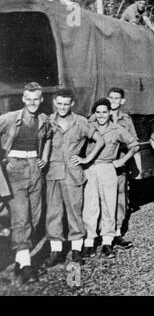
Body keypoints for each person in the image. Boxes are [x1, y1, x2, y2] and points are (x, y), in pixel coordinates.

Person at [44, 89, 105, 267]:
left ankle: (76, 250)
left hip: (73, 174)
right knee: (53, 213)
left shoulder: (81, 122)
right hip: (53, 173)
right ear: (55, 103)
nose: (62, 107)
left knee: (74, 211)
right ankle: (56, 251)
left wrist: (86, 159)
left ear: (72, 104)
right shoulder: (48, 122)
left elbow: (99, 140)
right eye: (59, 103)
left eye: (66, 104)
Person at [0, 82, 52, 284]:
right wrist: (3, 159)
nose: (32, 103)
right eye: (28, 99)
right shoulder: (9, 118)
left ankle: (20, 263)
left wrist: (45, 158)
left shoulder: (43, 119)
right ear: (23, 99)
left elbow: (47, 137)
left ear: (41, 100)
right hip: (15, 169)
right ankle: (27, 265)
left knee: (35, 216)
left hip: (35, 168)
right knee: (21, 217)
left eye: (36, 99)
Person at [82, 99, 140, 259]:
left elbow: (134, 145)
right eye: (98, 112)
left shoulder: (117, 129)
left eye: (104, 112)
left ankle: (107, 242)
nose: (101, 115)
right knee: (90, 205)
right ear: (94, 113)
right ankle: (89, 242)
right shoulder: (89, 127)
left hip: (108, 168)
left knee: (109, 204)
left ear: (109, 113)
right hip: (90, 169)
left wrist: (122, 161)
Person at [105, 88, 141, 249]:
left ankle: (117, 233)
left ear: (122, 101)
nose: (113, 100)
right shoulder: (97, 117)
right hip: (101, 165)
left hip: (118, 165)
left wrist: (125, 160)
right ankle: (100, 236)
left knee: (119, 199)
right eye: (111, 97)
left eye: (116, 98)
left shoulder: (126, 120)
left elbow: (134, 142)